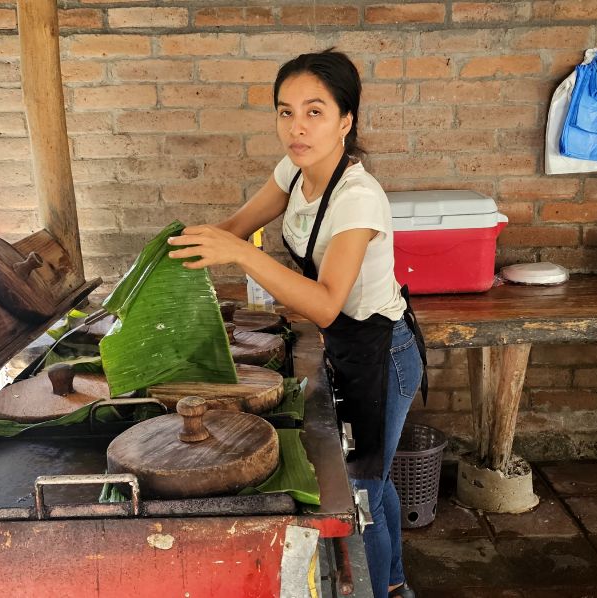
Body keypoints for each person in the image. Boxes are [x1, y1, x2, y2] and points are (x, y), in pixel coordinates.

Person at [167, 49, 426, 598]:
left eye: (315, 112)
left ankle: (382, 590)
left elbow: (328, 303)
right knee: (372, 476)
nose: (297, 128)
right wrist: (185, 250)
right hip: (344, 345)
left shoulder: (359, 198)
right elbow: (237, 225)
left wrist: (238, 254)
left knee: (363, 488)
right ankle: (397, 580)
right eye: (285, 112)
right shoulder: (295, 169)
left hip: (383, 351)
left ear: (346, 120)